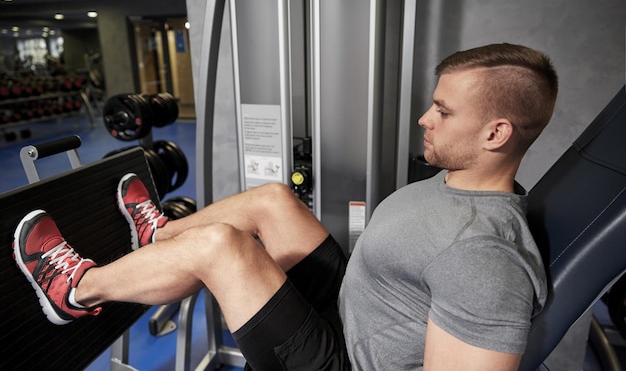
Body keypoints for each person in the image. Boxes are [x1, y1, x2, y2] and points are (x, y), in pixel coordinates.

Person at [13, 43, 558, 370]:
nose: (424, 119)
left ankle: (75, 292)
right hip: (349, 306)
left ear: (496, 133)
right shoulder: (461, 182)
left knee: (222, 246)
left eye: (443, 111)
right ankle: (157, 240)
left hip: (337, 359)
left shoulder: (485, 261)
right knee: (274, 199)